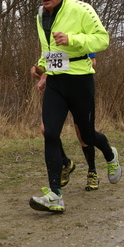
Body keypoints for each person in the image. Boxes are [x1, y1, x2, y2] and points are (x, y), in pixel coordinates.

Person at [28, 0, 121, 213]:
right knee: (49, 132)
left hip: (80, 80)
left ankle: (110, 153)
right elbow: (48, 49)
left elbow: (102, 39)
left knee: (88, 136)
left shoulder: (81, 9)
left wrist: (72, 39)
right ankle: (55, 195)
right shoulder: (40, 16)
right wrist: (41, 66)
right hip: (56, 83)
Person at [34, 54, 107, 191]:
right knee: (46, 129)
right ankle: (65, 163)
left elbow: (92, 62)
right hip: (57, 87)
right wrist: (43, 74)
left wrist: (71, 68)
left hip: (78, 87)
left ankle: (92, 171)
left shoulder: (76, 37)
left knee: (83, 135)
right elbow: (49, 61)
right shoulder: (50, 39)